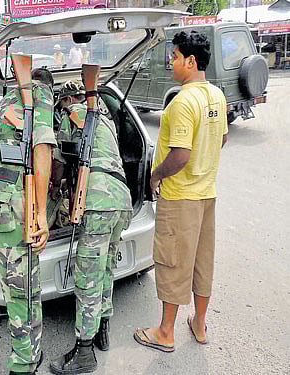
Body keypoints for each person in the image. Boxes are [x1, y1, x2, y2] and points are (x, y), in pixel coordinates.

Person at [133, 31, 228, 352]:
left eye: (174, 57)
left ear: (190, 61)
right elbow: (222, 139)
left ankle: (165, 332)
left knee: (172, 262)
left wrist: (155, 176)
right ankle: (199, 325)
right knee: (203, 261)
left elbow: (180, 154)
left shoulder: (183, 101)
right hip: (206, 195)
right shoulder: (217, 94)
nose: (171, 63)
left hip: (180, 197)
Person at [49, 80, 133, 375]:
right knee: (107, 266)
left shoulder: (73, 114)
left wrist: (53, 189)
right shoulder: (105, 117)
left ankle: (84, 352)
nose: (62, 109)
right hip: (122, 198)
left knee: (88, 277)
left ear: (67, 99)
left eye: (62, 104)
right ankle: (102, 330)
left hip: (97, 200)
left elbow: (58, 164)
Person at [0, 68, 56, 375]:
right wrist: (40, 214)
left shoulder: (4, 102)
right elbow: (42, 148)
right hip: (15, 196)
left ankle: (31, 351)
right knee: (21, 289)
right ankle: (23, 364)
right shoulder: (41, 94)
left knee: (22, 282)